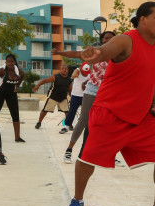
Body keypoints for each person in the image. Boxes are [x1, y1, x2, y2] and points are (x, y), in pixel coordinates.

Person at [64, 2, 155, 206]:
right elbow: (105, 52)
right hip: (110, 114)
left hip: (141, 118)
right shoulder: (126, 40)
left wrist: (154, 104)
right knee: (87, 159)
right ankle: (76, 202)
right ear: (143, 19)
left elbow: (150, 81)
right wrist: (94, 54)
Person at [54, 31, 120, 165]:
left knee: (109, 123)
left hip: (109, 92)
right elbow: (77, 54)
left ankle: (111, 154)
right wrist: (59, 52)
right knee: (83, 120)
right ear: (101, 41)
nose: (109, 40)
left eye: (112, 38)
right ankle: (69, 150)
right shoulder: (96, 53)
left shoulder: (118, 55)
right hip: (93, 89)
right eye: (106, 38)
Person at [32, 63, 72, 129]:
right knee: (45, 110)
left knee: (67, 112)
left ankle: (68, 124)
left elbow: (70, 90)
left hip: (63, 98)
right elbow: (45, 81)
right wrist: (37, 85)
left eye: (65, 69)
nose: (64, 70)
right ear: (60, 70)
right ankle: (39, 122)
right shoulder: (55, 77)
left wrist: (71, 98)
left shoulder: (69, 80)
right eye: (62, 69)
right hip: (53, 97)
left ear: (68, 70)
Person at [61, 65, 88, 134]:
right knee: (72, 111)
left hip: (86, 96)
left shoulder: (90, 72)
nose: (86, 74)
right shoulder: (77, 70)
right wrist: (75, 75)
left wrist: (85, 83)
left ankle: (88, 127)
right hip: (76, 95)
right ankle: (66, 126)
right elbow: (73, 75)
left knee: (87, 113)